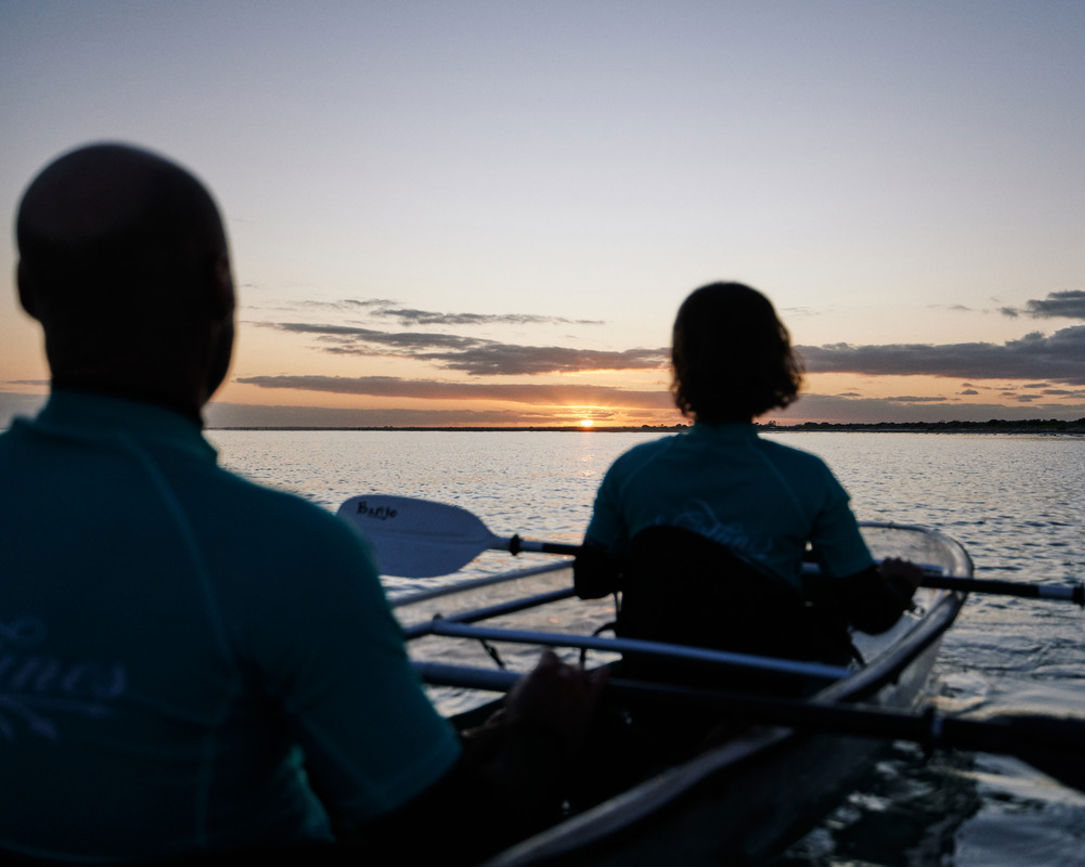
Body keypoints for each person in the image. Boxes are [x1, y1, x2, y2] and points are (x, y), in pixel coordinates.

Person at [0, 143, 599, 864]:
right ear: (219, 286)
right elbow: (449, 835)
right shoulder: (288, 551)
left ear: (27, 291)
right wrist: (538, 727)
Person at [574, 282, 921, 670]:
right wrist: (900, 582)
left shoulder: (631, 469)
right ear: (774, 365)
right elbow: (872, 615)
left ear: (681, 366)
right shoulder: (806, 477)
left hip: (654, 690)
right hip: (764, 692)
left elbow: (589, 583)